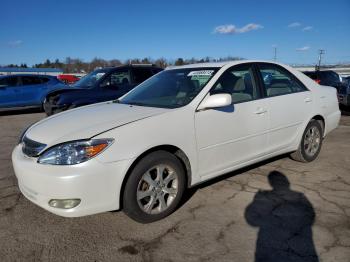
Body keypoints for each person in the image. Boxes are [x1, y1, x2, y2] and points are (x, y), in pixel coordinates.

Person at [245, 171, 319, 262]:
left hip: (271, 248)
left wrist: (270, 222)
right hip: (297, 248)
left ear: (271, 183)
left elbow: (252, 219)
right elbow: (310, 217)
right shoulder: (299, 196)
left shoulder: (264, 197)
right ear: (287, 182)